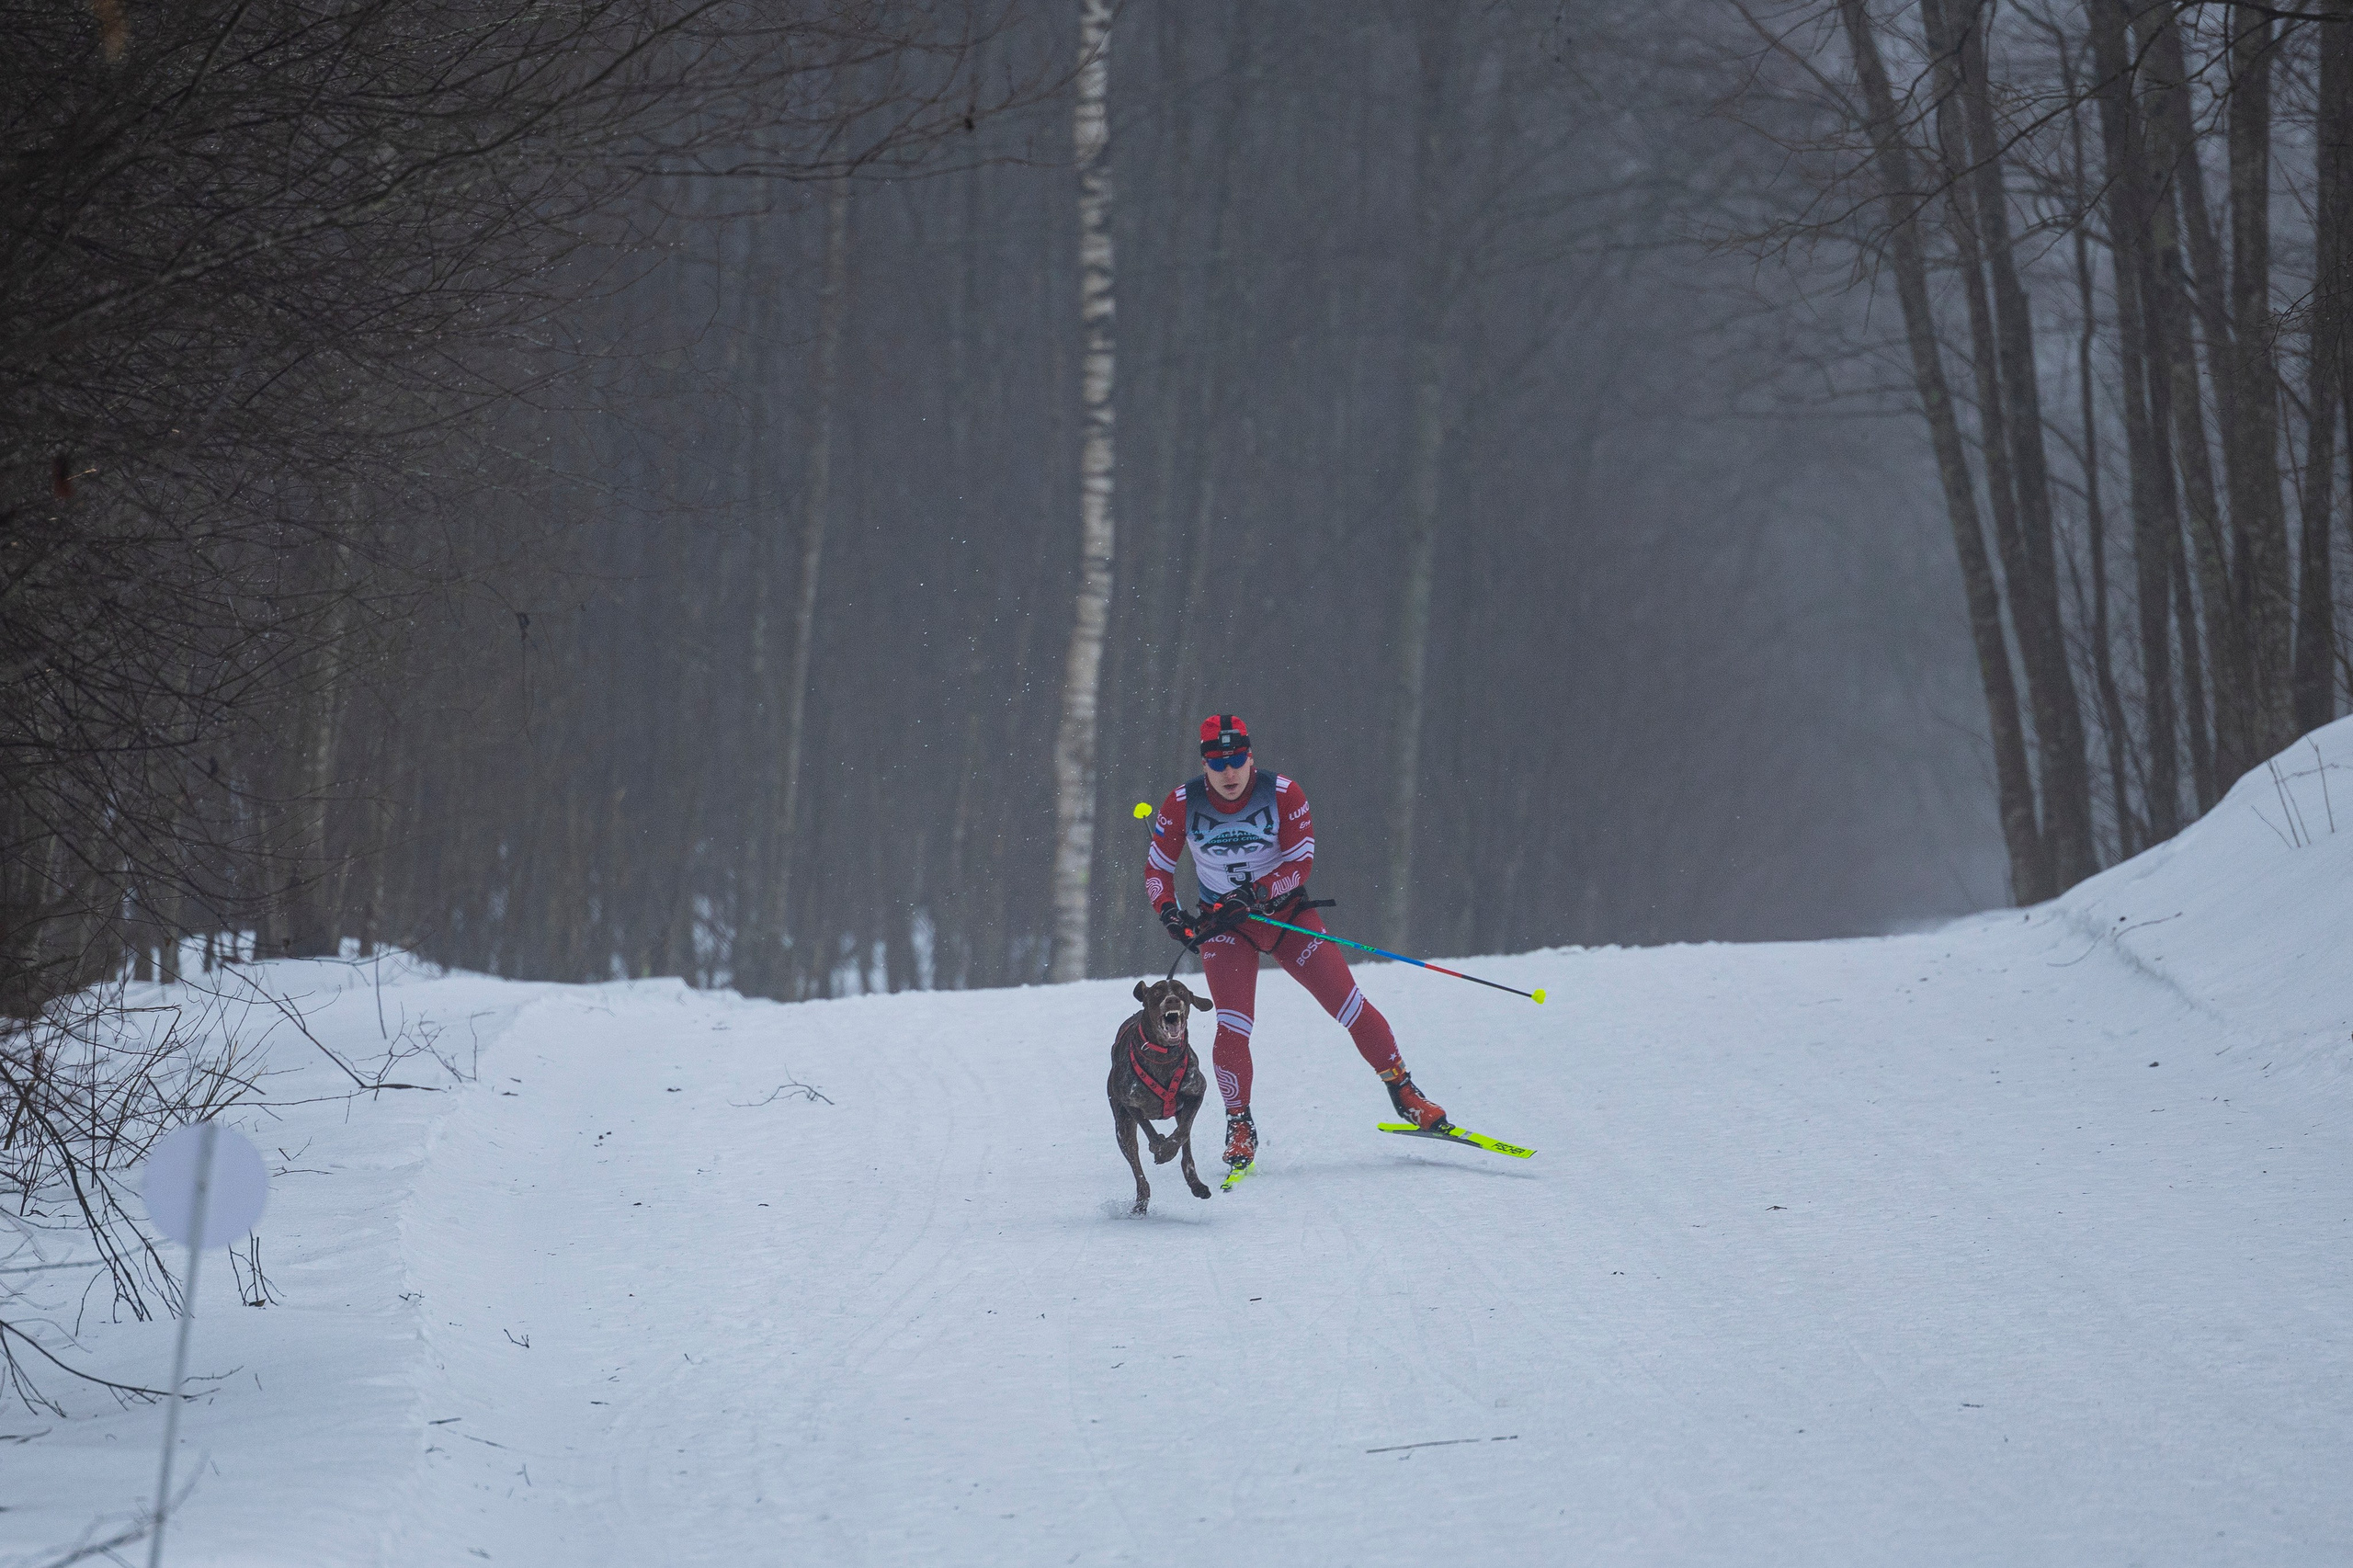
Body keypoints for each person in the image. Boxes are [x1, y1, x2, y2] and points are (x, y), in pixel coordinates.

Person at [1145, 713, 1447, 1171]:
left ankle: (1404, 1091)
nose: (1229, 771)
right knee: (1233, 1027)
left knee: (1348, 1005)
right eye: (1217, 761)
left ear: (1252, 756)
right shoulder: (1180, 803)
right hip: (1225, 930)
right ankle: (1239, 1123)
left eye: (1237, 759)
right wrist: (1170, 913)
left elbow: (1299, 861)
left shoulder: (1283, 792)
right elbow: (1157, 872)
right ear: (1204, 763)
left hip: (1286, 918)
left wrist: (1257, 893)